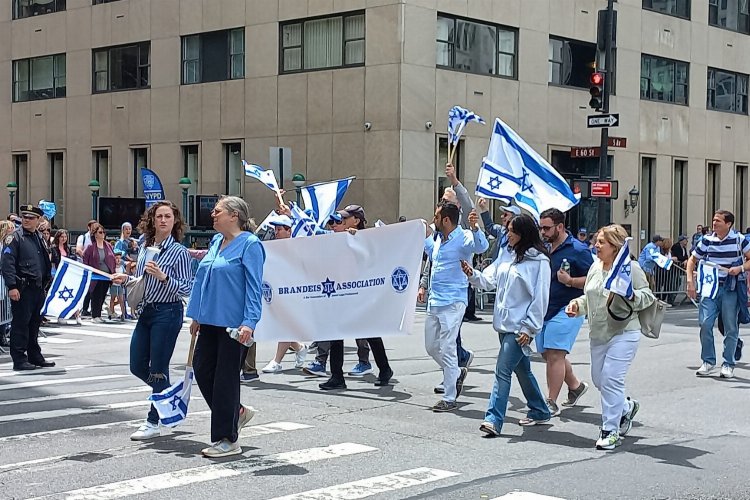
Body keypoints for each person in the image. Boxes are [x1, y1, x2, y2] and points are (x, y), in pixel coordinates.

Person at [187, 196, 265, 458]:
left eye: (218, 211)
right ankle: (237, 412)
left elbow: (255, 287)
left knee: (225, 381)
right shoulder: (216, 242)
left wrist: (249, 322)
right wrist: (196, 315)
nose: (213, 215)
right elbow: (203, 281)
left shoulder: (251, 245)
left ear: (234, 215)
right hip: (209, 320)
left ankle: (227, 438)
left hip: (234, 325)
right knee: (202, 370)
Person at [566, 224, 655, 450]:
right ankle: (626, 407)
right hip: (598, 332)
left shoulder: (631, 268)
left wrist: (631, 295)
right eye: (596, 241)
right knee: (599, 379)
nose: (596, 245)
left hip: (625, 330)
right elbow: (589, 297)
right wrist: (576, 305)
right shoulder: (595, 268)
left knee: (611, 379)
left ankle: (610, 430)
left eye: (601, 242)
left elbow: (647, 297)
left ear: (615, 246)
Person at [462, 214, 552, 435]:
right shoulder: (507, 254)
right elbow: (489, 279)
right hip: (503, 325)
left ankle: (494, 419)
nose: (507, 234)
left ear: (523, 234)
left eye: (511, 230)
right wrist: (472, 274)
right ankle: (540, 409)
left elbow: (540, 298)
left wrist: (529, 328)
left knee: (502, 371)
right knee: (523, 370)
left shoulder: (540, 262)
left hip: (519, 328)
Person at [112, 201, 194, 441]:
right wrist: (125, 277)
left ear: (175, 221)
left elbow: (187, 287)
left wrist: (164, 276)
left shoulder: (179, 252)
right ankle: (170, 400)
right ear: (152, 220)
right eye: (159, 216)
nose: (163, 220)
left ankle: (153, 420)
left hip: (168, 313)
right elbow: (140, 280)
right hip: (146, 312)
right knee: (137, 365)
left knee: (158, 368)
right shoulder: (145, 246)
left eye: (168, 216)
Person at [422, 201, 488, 412]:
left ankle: (449, 397)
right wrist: (422, 231)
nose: (434, 219)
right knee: (431, 347)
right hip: (435, 301)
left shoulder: (464, 237)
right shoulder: (438, 239)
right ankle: (457, 372)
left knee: (448, 347)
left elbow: (482, 247)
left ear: (446, 220)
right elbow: (429, 250)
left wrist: (476, 228)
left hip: (454, 301)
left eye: (436, 216)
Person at [320, 205, 394, 390]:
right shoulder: (340, 237)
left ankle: (384, 368)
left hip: (361, 292)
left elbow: (375, 258)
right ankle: (337, 375)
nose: (341, 221)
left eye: (346, 218)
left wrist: (358, 239)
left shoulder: (367, 238)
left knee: (369, 331)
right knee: (336, 333)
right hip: (341, 290)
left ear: (357, 221)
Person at [537, 208, 593, 417]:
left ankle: (550, 402)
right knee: (546, 353)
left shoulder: (578, 250)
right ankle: (575, 386)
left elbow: (594, 279)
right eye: (541, 227)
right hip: (546, 308)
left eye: (547, 228)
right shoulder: (543, 247)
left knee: (555, 353)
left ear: (560, 227)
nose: (543, 231)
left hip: (569, 307)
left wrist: (570, 281)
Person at [686, 210, 750, 379]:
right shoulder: (706, 240)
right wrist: (690, 282)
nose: (714, 224)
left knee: (730, 326)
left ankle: (728, 363)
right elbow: (692, 260)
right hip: (710, 287)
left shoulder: (739, 240)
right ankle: (708, 361)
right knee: (705, 323)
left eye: (718, 221)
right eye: (713, 220)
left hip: (730, 288)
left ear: (728, 224)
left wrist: (740, 268)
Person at [1, 205, 53, 370]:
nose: (27, 220)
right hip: (22, 288)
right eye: (25, 217)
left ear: (38, 220)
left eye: (31, 218)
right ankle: (19, 359)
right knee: (21, 324)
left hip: (38, 288)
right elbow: (7, 264)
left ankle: (34, 356)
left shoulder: (38, 236)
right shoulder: (14, 238)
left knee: (34, 324)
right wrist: (12, 286)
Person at [259, 216, 307, 373]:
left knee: (285, 324)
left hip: (293, 291)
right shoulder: (272, 247)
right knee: (282, 323)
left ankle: (277, 361)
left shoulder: (298, 245)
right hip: (276, 291)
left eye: (279, 229)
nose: (276, 232)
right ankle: (299, 347)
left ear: (289, 231)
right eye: (275, 229)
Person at [83, 223, 116, 324]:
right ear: (95, 234)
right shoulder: (90, 247)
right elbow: (85, 260)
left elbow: (112, 259)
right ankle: (94, 315)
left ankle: (99, 315)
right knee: (95, 295)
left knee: (102, 295)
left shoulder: (108, 245)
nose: (103, 234)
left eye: (104, 232)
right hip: (95, 276)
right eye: (100, 232)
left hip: (106, 276)